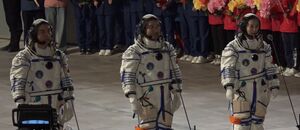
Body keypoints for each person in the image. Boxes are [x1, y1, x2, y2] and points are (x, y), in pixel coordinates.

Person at [10, 19, 74, 129]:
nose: (47, 34)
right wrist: (20, 101)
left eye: (48, 31)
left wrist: (69, 99)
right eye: (42, 31)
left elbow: (66, 79)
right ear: (34, 34)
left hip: (55, 103)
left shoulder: (59, 56)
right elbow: (18, 81)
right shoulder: (24, 57)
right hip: (34, 104)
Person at [120, 14, 182, 129]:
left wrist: (177, 92)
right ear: (143, 29)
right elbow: (128, 76)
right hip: (146, 96)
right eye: (151, 27)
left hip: (164, 96)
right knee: (148, 126)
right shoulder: (134, 51)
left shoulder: (168, 48)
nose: (155, 30)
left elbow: (175, 71)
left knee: (165, 125)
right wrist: (132, 98)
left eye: (157, 26)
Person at [220, 13, 280, 130]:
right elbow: (228, 66)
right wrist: (229, 86)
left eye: (257, 26)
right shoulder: (233, 47)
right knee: (241, 123)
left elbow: (269, 66)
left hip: (260, 89)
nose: (254, 29)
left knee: (258, 123)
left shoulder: (264, 47)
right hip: (242, 89)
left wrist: (274, 85)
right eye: (251, 26)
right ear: (244, 26)